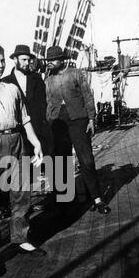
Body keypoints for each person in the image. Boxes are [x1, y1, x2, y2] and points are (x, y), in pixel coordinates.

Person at [0, 43, 47, 256]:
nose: (0, 65)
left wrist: (36, 143)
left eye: (2, 60)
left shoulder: (12, 89)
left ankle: (21, 238)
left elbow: (25, 119)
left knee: (21, 193)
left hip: (16, 140)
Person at [45, 45, 111, 214]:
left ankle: (97, 199)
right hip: (58, 122)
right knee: (62, 162)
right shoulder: (48, 79)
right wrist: (49, 122)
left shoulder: (75, 73)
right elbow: (48, 103)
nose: (50, 63)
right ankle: (67, 202)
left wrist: (91, 118)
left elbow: (88, 96)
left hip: (78, 120)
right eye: (49, 61)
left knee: (86, 160)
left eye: (53, 60)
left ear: (62, 60)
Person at [2, 44, 52, 211]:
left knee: (46, 165)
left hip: (38, 130)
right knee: (23, 171)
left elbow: (43, 104)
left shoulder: (37, 79)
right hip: (19, 134)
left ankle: (55, 202)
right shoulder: (6, 83)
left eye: (28, 60)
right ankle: (25, 205)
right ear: (14, 60)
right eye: (23, 60)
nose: (26, 63)